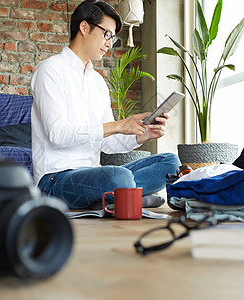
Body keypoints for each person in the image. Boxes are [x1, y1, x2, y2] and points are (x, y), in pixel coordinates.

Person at [31, 0, 180, 210]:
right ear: (84, 27)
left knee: (170, 163)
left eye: (113, 37)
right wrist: (119, 125)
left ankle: (117, 198)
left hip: (92, 175)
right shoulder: (50, 70)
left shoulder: (97, 82)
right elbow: (57, 134)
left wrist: (143, 133)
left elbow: (108, 144)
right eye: (107, 34)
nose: (110, 43)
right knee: (118, 178)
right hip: (55, 180)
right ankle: (127, 197)